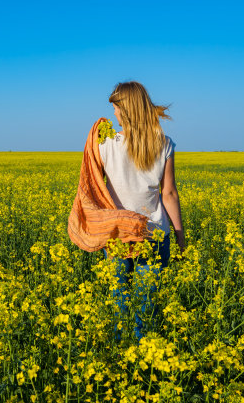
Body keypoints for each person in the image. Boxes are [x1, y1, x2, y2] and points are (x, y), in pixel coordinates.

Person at [100, 81, 185, 341]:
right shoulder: (164, 143)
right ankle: (146, 358)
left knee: (119, 303)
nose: (113, 114)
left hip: (116, 235)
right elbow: (168, 194)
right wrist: (180, 236)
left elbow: (93, 188)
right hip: (155, 235)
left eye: (115, 108)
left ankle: (122, 359)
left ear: (125, 110)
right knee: (147, 308)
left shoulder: (105, 145)